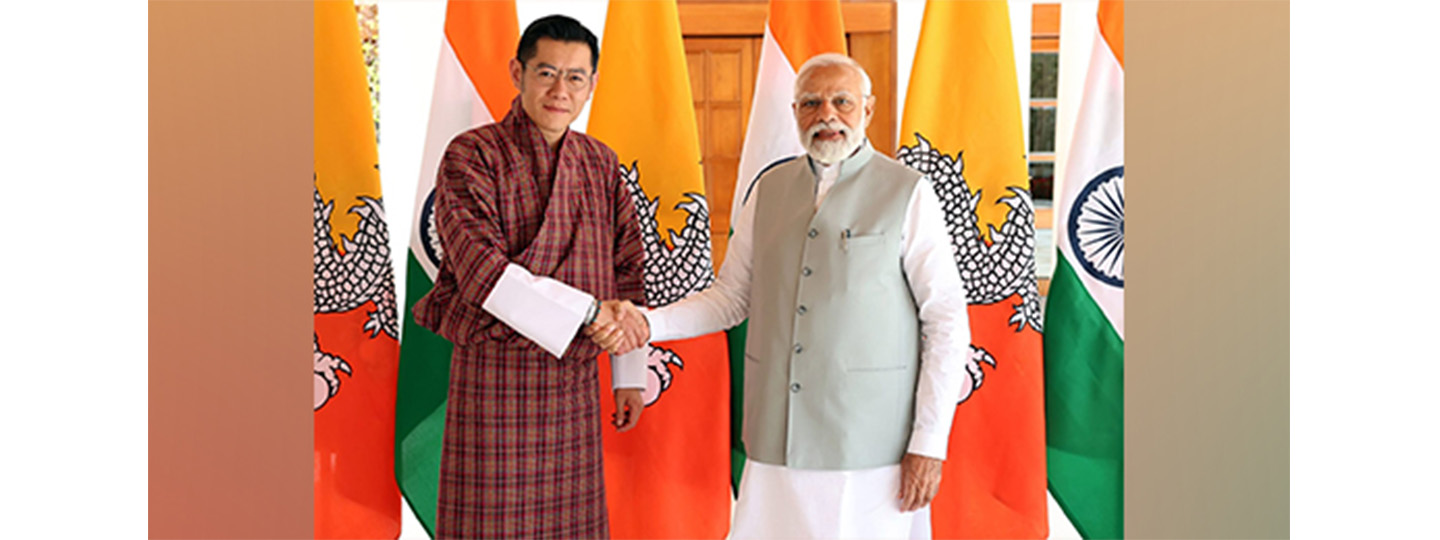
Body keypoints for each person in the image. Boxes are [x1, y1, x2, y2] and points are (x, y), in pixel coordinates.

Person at [594, 52, 973, 539]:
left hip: (870, 448)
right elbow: (731, 297)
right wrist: (648, 324)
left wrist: (929, 442)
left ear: (869, 110)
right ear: (794, 112)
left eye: (842, 101)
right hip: (777, 437)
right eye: (811, 103)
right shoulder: (768, 190)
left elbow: (946, 319)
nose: (827, 115)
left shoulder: (908, 192)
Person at [411, 14, 650, 539]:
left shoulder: (600, 163)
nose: (560, 90)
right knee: (489, 524)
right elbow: (483, 274)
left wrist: (628, 374)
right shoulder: (471, 155)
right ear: (517, 72)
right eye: (546, 73)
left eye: (575, 77)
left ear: (592, 84)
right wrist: (589, 313)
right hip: (495, 382)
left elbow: (628, 272)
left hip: (574, 386)